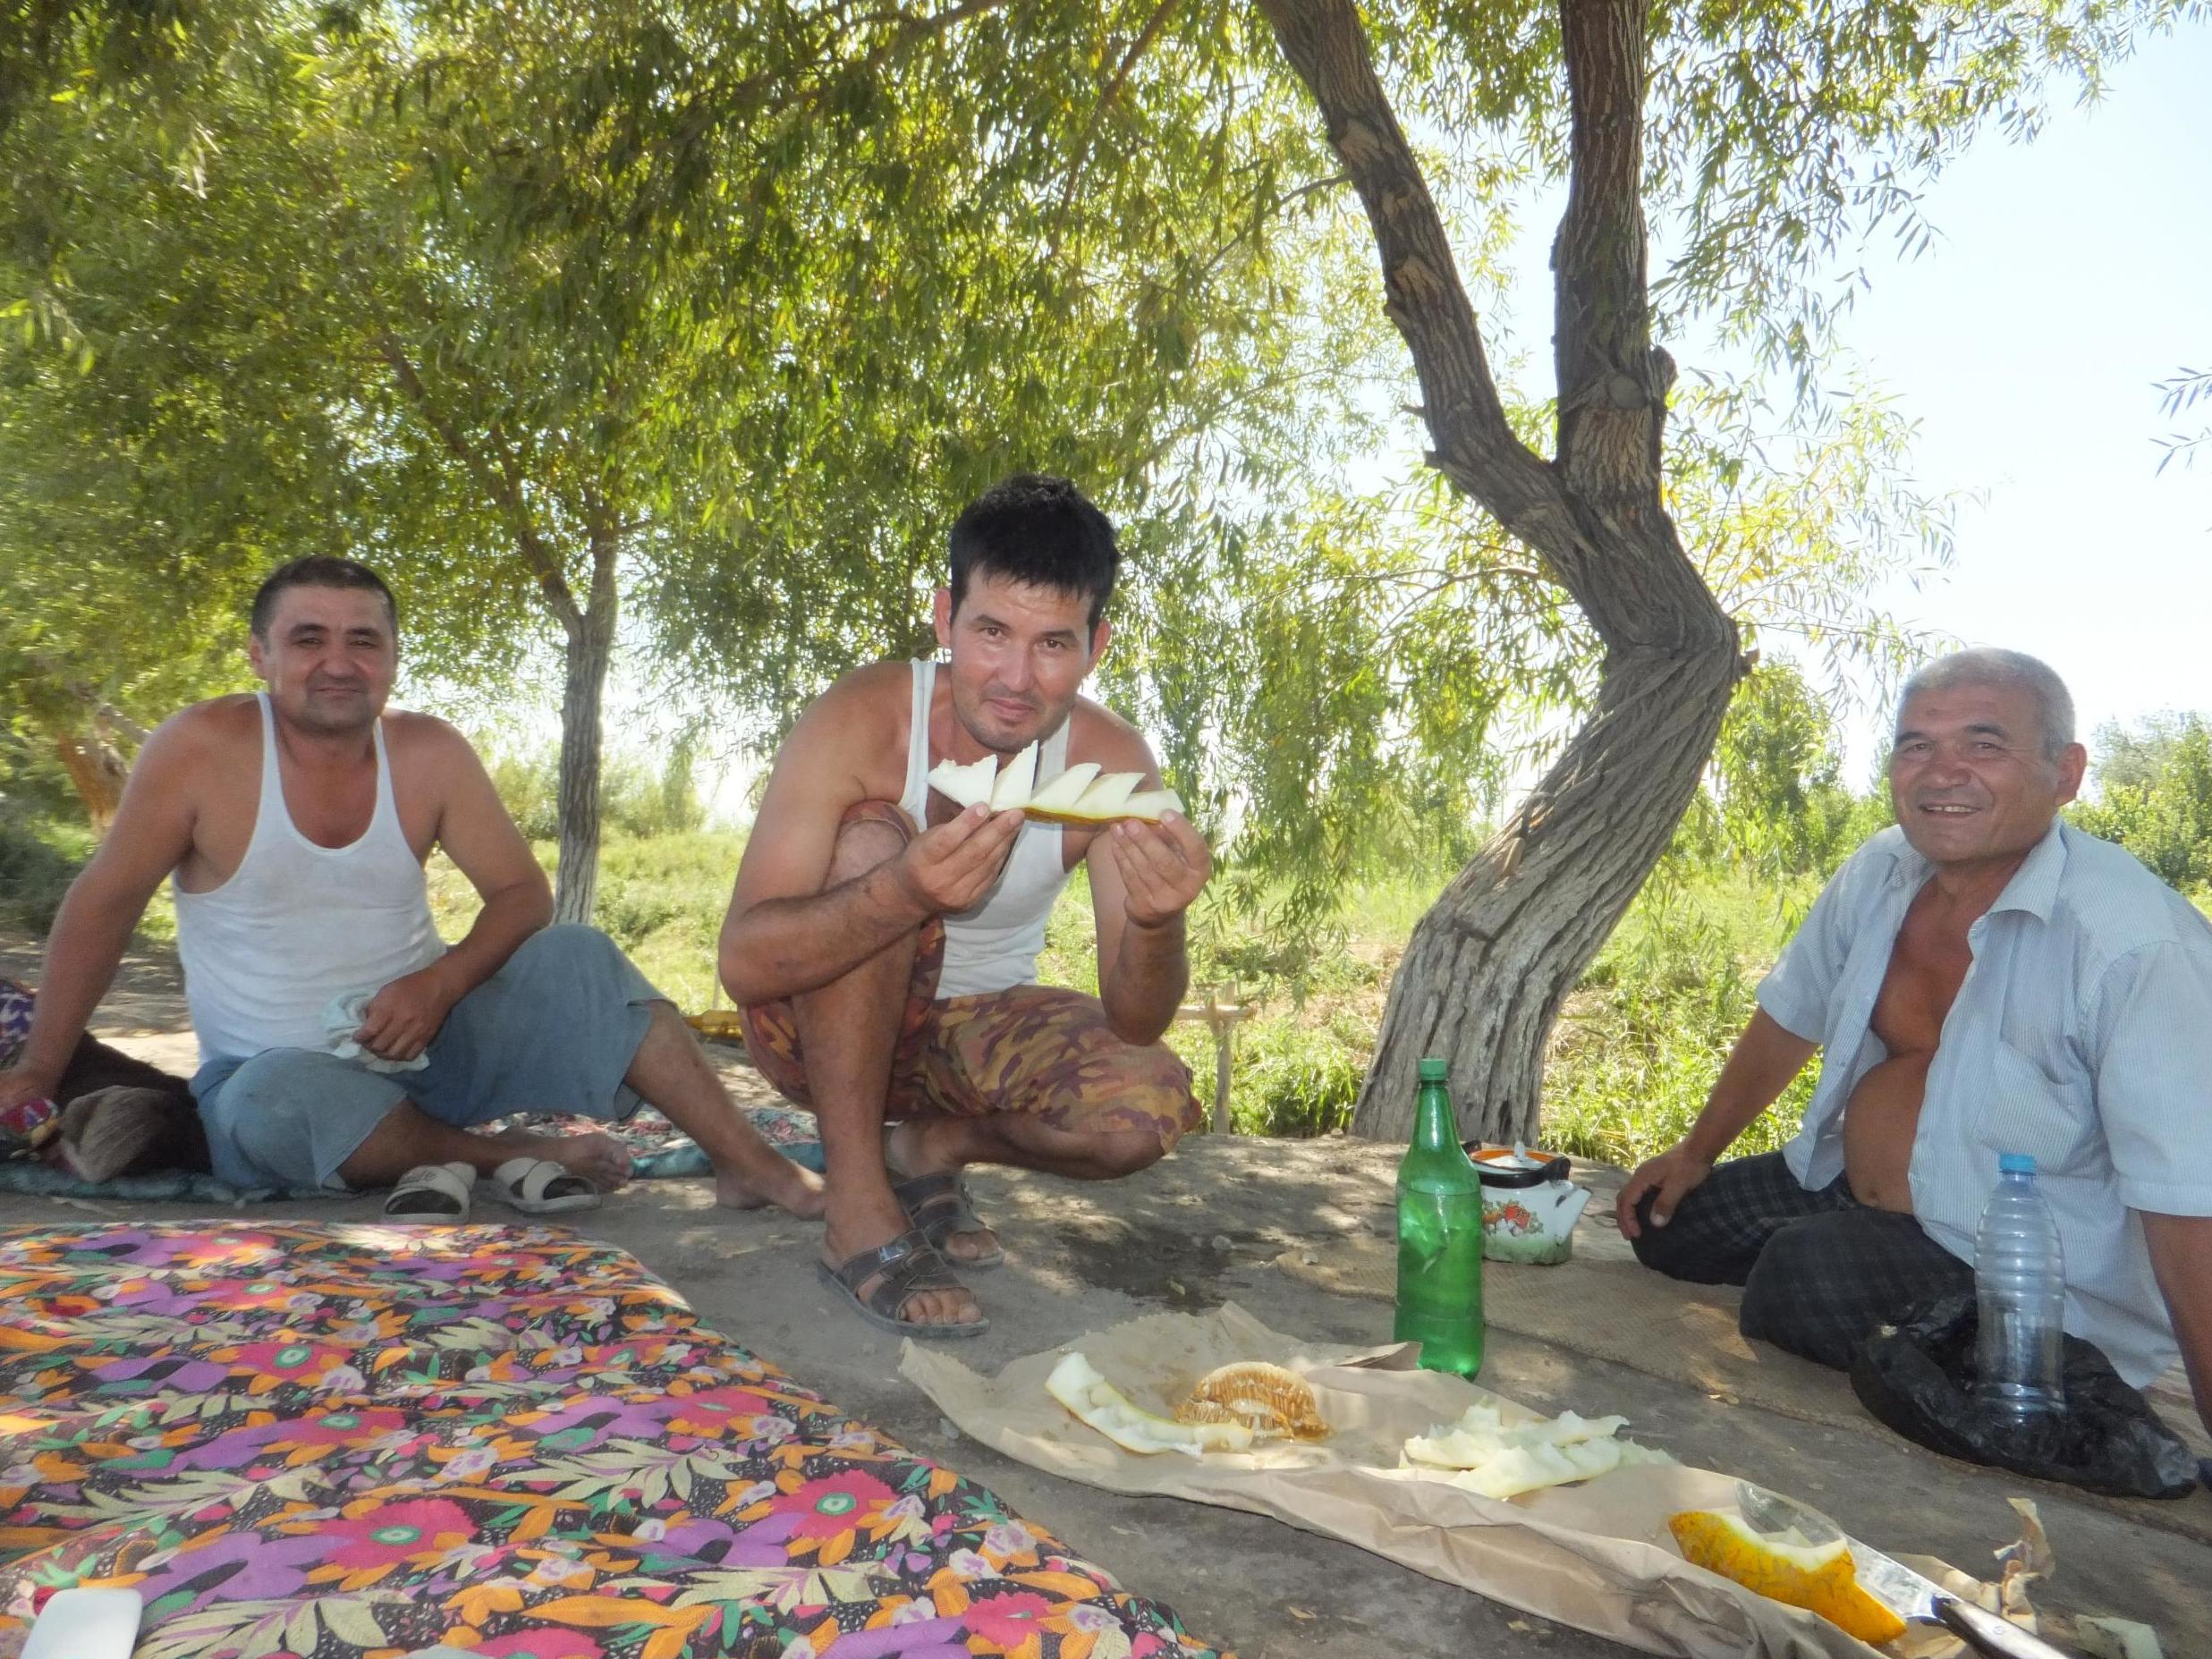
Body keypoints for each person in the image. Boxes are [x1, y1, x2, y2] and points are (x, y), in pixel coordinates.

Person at [0, 556, 823, 1223]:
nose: (337, 662)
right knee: (266, 1102)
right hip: (279, 1082)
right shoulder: (199, 749)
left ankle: (749, 1164)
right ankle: (502, 1157)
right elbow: (102, 905)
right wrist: (40, 1068)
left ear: (392, 657)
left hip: (439, 1048)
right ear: (260, 655)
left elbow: (520, 893)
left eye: (363, 641)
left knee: (578, 954)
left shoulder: (428, 752)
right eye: (308, 638)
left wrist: (440, 984)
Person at [1616, 648, 2212, 1429]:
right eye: (1915, 745)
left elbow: (2185, 1196)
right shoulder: (1880, 871)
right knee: (1668, 1224)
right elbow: (1790, 1011)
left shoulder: (2132, 944)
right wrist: (1694, 1152)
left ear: (2063, 772)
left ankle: (2035, 1367)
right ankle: (1862, 1269)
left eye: (1983, 745)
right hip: (1849, 1181)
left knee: (1804, 1274)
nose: (1942, 772)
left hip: (2020, 1269)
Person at [719, 474, 1208, 1337]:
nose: (1016, 678)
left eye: (1053, 642)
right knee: (874, 839)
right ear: (945, 617)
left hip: (971, 1037)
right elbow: (744, 964)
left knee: (1145, 1106)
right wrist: (901, 890)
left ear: (1097, 644)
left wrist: (1160, 923)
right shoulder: (864, 717)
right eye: (991, 632)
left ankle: (927, 1149)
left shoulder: (1112, 759)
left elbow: (1136, 1018)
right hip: (813, 1036)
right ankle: (858, 1209)